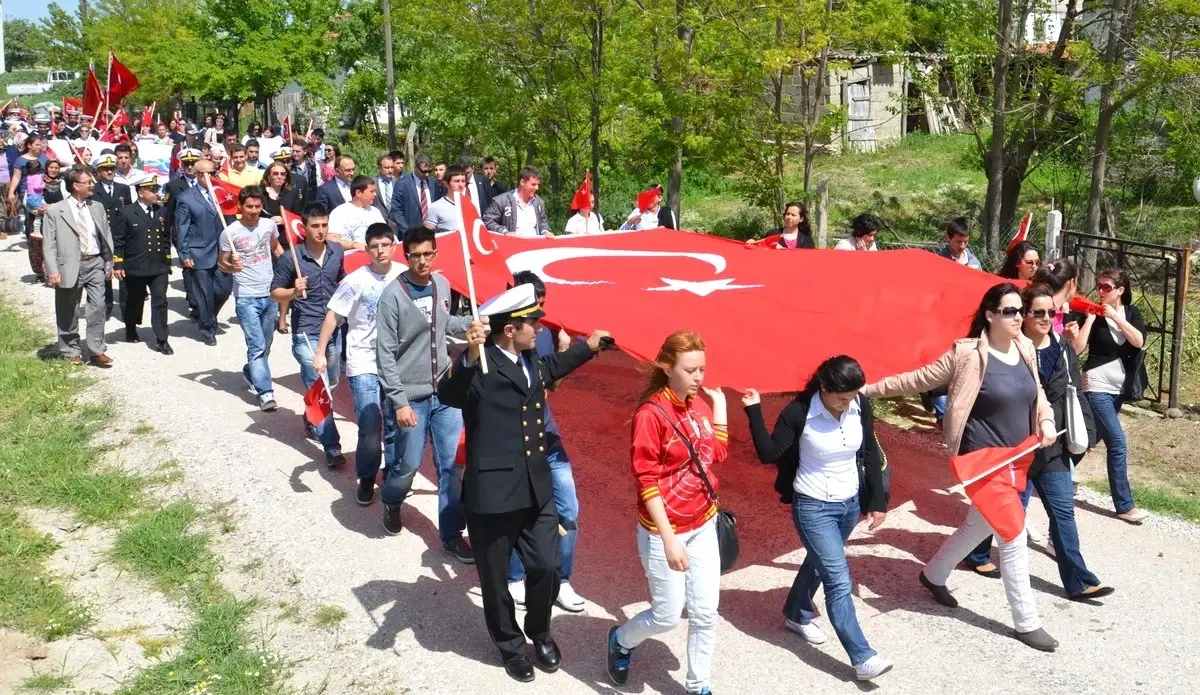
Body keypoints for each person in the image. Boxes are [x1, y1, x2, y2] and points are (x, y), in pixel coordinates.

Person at [862, 283, 1060, 652]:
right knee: (1013, 536)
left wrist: (1046, 421)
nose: (1019, 317)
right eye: (1009, 311)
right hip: (980, 460)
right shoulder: (967, 354)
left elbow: (1040, 397)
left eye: (1021, 311)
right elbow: (918, 379)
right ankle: (1026, 622)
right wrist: (867, 389)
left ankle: (933, 574)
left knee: (977, 524)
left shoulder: (1026, 349)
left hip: (1017, 456)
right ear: (990, 315)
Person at [438, 285, 608, 683]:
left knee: (547, 566)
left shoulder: (528, 356)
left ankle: (540, 630)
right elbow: (448, 392)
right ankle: (511, 646)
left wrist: (590, 346)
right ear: (510, 330)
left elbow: (549, 370)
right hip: (493, 491)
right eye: (532, 322)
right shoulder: (480, 364)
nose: (539, 327)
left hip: (535, 486)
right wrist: (468, 355)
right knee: (496, 578)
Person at [742, 356, 892, 681]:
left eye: (852, 396)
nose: (846, 403)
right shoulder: (799, 412)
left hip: (849, 504)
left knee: (820, 561)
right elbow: (769, 453)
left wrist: (876, 501)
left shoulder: (859, 404)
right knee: (838, 579)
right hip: (813, 506)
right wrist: (753, 410)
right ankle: (862, 657)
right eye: (841, 397)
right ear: (824, 387)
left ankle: (796, 613)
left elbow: (868, 453)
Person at [605, 330, 726, 694]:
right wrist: (671, 540)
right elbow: (646, 480)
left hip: (704, 522)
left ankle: (697, 685)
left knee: (706, 613)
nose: (699, 377)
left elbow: (715, 454)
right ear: (667, 367)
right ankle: (622, 639)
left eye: (702, 369)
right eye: (691, 370)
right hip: (664, 531)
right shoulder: (651, 415)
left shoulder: (698, 404)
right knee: (666, 616)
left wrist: (719, 406)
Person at [375, 226, 474, 551]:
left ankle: (451, 536)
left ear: (434, 254)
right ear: (407, 256)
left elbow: (445, 325)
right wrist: (399, 401)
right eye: (415, 255)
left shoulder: (442, 285)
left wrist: (471, 324)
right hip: (410, 397)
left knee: (451, 466)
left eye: (426, 254)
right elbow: (385, 354)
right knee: (409, 464)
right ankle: (391, 499)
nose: (421, 261)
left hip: (445, 393)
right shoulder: (393, 296)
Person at [1017, 284, 1113, 599]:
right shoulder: (1009, 348)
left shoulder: (1062, 347)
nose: (1046, 318)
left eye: (1051, 312)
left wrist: (1087, 432)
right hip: (1017, 447)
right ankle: (976, 555)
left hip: (1054, 446)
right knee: (1006, 515)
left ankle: (1079, 582)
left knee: (1063, 513)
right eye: (1039, 313)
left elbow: (1076, 392)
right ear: (1024, 315)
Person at [505, 272, 588, 612]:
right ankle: (514, 578)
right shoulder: (497, 338)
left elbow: (549, 388)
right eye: (535, 307)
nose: (540, 317)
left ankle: (562, 580)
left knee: (568, 510)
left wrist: (566, 353)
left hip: (549, 439)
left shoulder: (544, 334)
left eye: (543, 305)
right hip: (517, 446)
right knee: (519, 513)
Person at [313, 223, 403, 506]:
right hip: (363, 358)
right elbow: (332, 316)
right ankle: (366, 476)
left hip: (396, 361)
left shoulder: (404, 276)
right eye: (374, 246)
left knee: (394, 422)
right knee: (369, 422)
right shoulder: (355, 280)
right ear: (367, 249)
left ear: (393, 246)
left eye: (385, 245)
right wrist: (319, 352)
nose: (380, 251)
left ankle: (390, 474)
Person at [271, 202, 347, 467]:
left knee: (333, 382)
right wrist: (293, 291)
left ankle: (310, 416)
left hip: (332, 331)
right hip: (306, 332)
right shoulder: (291, 257)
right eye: (315, 226)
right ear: (303, 229)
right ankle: (333, 448)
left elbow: (342, 281)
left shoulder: (336, 251)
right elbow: (274, 292)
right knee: (320, 388)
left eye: (325, 225)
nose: (321, 230)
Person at [1073, 268, 1148, 524]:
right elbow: (1078, 348)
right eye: (1099, 286)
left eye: (1106, 287)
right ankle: (1124, 506)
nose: (1101, 291)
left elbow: (1138, 341)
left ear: (1120, 290)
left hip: (1119, 390)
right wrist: (1091, 320)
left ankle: (1053, 475)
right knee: (1118, 443)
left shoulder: (1131, 313)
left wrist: (1117, 317)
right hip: (1096, 385)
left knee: (1087, 439)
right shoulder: (1093, 312)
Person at [42, 167, 115, 367]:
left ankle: (96, 350)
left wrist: (109, 261)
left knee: (98, 307)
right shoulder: (56, 211)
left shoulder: (97, 207)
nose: (93, 185)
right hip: (69, 266)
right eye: (88, 182)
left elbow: (105, 235)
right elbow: (48, 245)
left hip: (95, 263)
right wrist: (53, 270)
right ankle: (70, 349)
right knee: (68, 310)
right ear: (76, 185)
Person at [219, 186, 283, 411]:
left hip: (270, 293)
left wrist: (289, 271)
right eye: (249, 207)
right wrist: (230, 265)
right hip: (246, 296)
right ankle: (265, 392)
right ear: (240, 207)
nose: (254, 211)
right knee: (256, 345)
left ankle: (250, 371)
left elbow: (277, 249)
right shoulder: (230, 232)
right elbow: (222, 263)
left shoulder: (269, 225)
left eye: (258, 206)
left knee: (266, 344)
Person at [112, 176, 174, 354]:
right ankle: (131, 326)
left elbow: (165, 238)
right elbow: (118, 240)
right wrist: (118, 264)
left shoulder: (161, 211)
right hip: (135, 265)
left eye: (157, 190)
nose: (156, 193)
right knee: (135, 299)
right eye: (152, 190)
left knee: (160, 301)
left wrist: (167, 260)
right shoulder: (126, 212)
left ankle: (162, 338)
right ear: (141, 193)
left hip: (158, 265)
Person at [176, 159, 233, 346]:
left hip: (221, 251)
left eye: (211, 173)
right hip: (199, 252)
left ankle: (206, 313)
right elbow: (182, 228)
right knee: (204, 291)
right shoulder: (186, 198)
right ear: (196, 175)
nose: (208, 177)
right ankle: (208, 329)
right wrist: (184, 254)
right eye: (203, 174)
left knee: (224, 288)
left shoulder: (221, 194)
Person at [483, 166, 552, 237]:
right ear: (522, 182)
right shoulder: (502, 200)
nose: (537, 188)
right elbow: (487, 220)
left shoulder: (539, 203)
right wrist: (504, 231)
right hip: (511, 246)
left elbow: (543, 222)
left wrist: (545, 232)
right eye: (533, 184)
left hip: (534, 246)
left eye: (538, 185)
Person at [328, 175, 385, 250]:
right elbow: (331, 239)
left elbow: (386, 234)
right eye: (371, 191)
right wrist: (353, 245)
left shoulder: (375, 211)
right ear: (358, 193)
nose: (375, 194)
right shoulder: (340, 212)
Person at [390, 153, 443, 231]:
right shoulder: (402, 184)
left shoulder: (433, 183)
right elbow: (397, 211)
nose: (427, 174)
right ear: (416, 167)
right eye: (423, 171)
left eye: (429, 171)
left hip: (433, 232)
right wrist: (407, 232)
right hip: (411, 233)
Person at [423, 165, 469, 232]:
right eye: (457, 181)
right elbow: (426, 235)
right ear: (446, 183)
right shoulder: (436, 207)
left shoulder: (470, 205)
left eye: (463, 181)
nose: (461, 185)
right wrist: (448, 234)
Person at [375, 154, 397, 218]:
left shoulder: (398, 183)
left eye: (392, 167)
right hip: (378, 221)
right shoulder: (372, 183)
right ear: (379, 168)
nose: (390, 170)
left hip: (395, 223)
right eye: (387, 168)